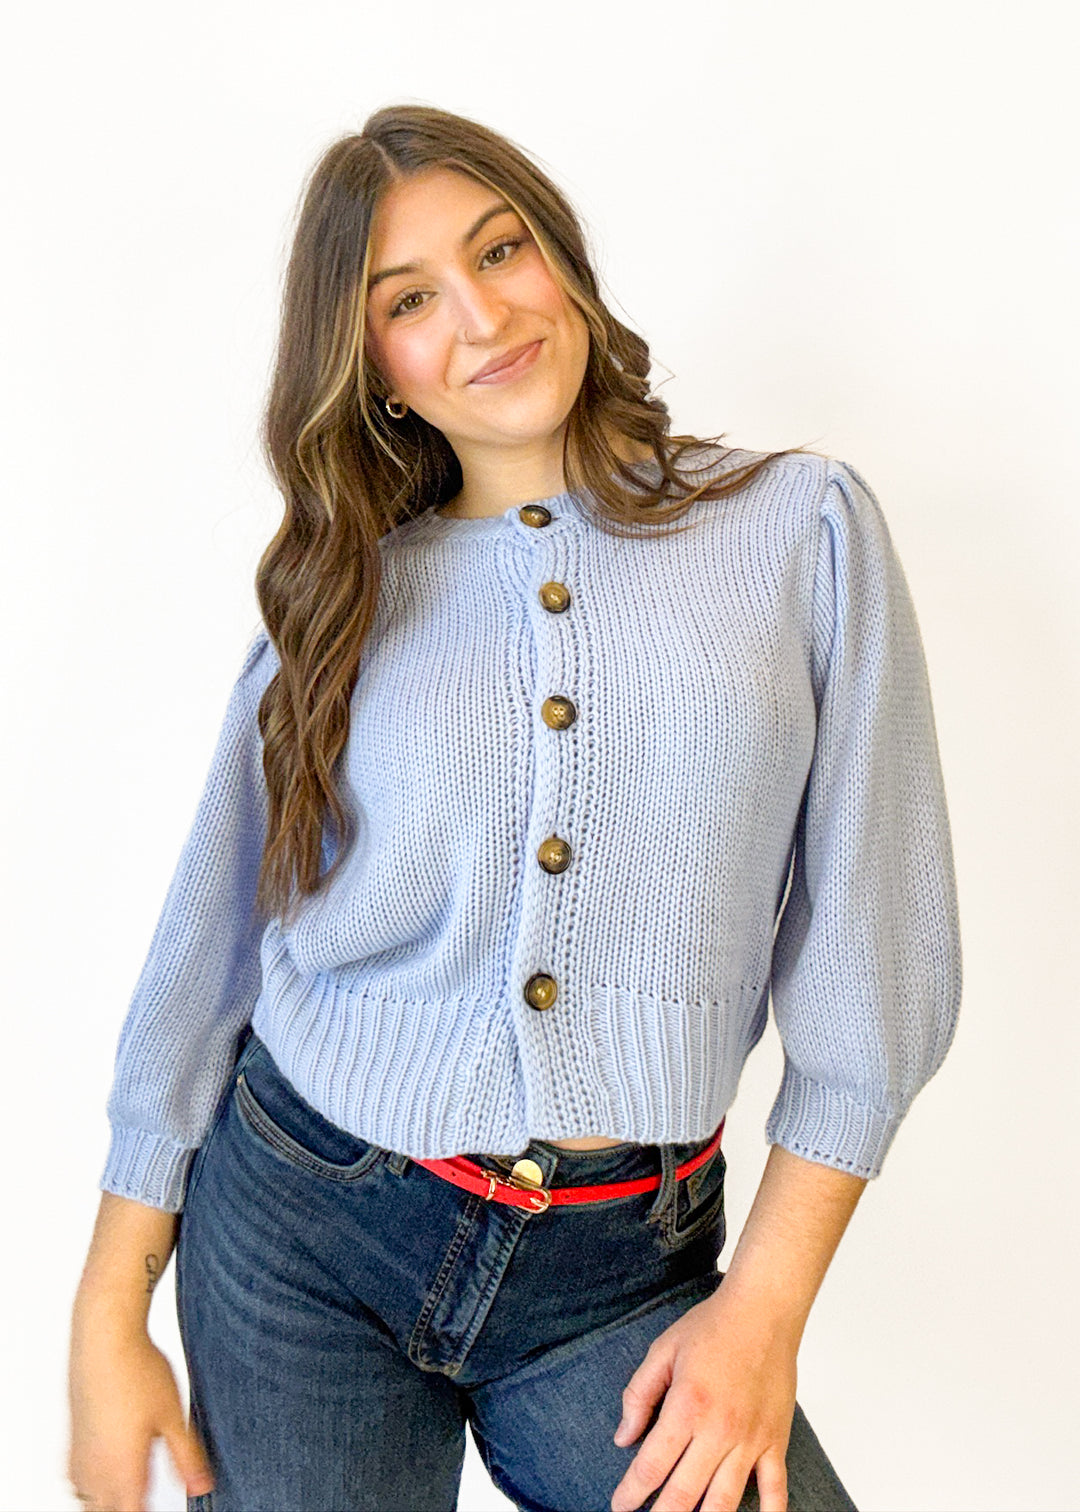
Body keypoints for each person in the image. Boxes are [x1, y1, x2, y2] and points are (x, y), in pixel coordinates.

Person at [66, 103, 962, 1512]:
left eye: (502, 250)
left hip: (618, 1272)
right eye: (411, 300)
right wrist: (106, 1322)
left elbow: (876, 965)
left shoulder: (798, 530)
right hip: (303, 1230)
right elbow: (211, 958)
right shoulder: (343, 601)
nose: (481, 315)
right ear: (375, 372)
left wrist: (762, 1314)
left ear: (566, 263)